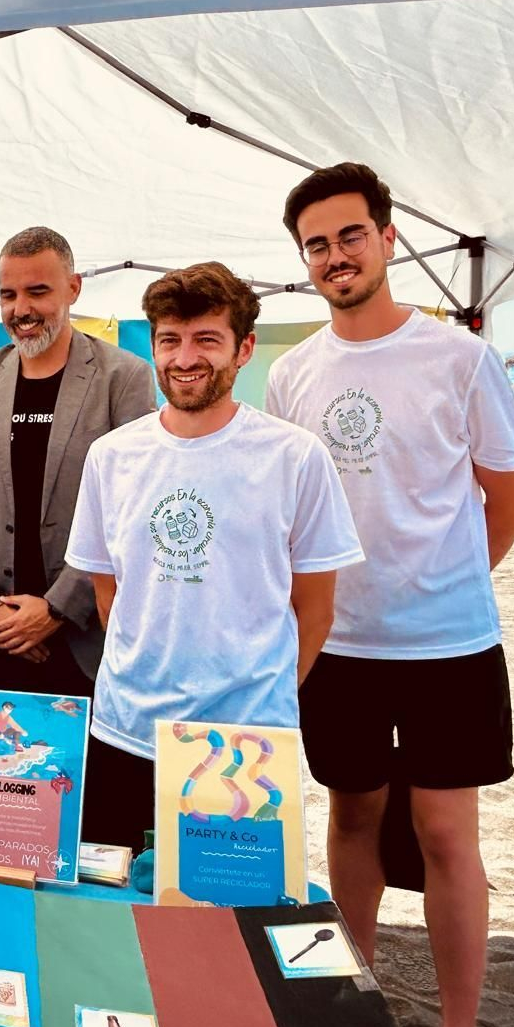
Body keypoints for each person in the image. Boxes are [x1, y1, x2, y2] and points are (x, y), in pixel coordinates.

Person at [266, 163, 514, 1027]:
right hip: (338, 646)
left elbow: (510, 497)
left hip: (451, 648)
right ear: (304, 262)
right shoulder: (293, 372)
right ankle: (357, 1006)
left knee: (446, 831)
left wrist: (446, 583)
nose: (335, 255)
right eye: (317, 244)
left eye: (350, 236)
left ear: (387, 238)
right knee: (350, 819)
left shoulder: (461, 358)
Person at [64, 263, 363, 848]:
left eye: (206, 339)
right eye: (169, 340)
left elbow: (316, 609)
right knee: (115, 914)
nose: (184, 358)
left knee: (226, 923)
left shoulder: (294, 457)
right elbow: (109, 593)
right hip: (125, 731)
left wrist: (262, 697)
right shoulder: (111, 456)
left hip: (244, 745)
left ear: (244, 348)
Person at [0, 226, 154, 709]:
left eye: (38, 291)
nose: (21, 309)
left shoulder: (124, 378)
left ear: (73, 289)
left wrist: (55, 609)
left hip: (86, 643)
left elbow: (133, 511)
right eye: (8, 295)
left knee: (91, 785)